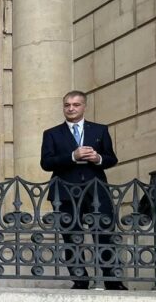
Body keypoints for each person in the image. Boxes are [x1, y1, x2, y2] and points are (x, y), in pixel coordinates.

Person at [40, 90, 126, 290]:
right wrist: (73, 156)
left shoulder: (100, 130)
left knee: (104, 235)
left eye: (76, 105)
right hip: (64, 193)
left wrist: (98, 159)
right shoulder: (51, 133)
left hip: (96, 191)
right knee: (72, 237)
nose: (71, 108)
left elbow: (111, 158)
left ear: (84, 106)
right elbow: (46, 163)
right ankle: (80, 280)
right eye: (67, 105)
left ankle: (112, 281)